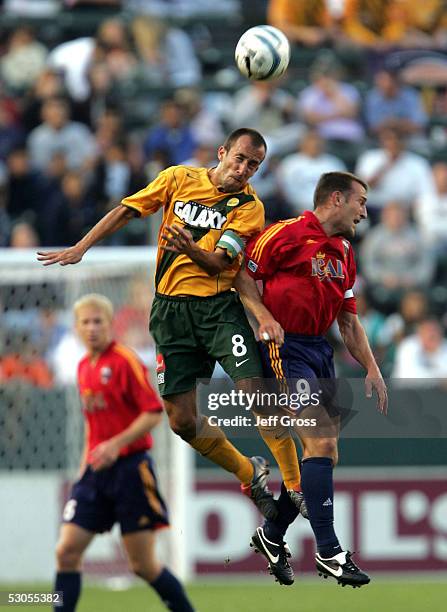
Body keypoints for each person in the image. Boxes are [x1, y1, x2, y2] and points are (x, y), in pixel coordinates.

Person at [37, 128, 284, 520]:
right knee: (181, 421)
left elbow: (221, 262)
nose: (243, 169)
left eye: (253, 165)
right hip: (170, 314)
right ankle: (248, 471)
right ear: (221, 152)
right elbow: (126, 209)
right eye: (239, 158)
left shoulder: (249, 207)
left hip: (219, 311)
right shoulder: (178, 178)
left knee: (258, 396)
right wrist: (82, 247)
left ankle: (297, 485)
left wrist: (189, 248)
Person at [241, 171, 388, 587]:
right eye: (360, 202)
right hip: (284, 348)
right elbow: (242, 277)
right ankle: (329, 551)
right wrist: (265, 317)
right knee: (320, 440)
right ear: (336, 199)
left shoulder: (343, 251)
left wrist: (372, 367)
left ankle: (271, 535)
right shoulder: (284, 235)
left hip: (320, 352)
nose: (364, 211)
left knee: (323, 456)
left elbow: (348, 319)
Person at [53, 293, 195, 612]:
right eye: (85, 322)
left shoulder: (125, 360)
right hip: (95, 472)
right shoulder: (82, 367)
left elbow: (152, 413)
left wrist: (115, 446)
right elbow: (93, 424)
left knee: (142, 565)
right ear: (76, 328)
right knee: (66, 551)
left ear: (110, 324)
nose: (92, 328)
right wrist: (83, 468)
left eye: (98, 321)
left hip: (131, 469)